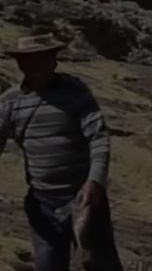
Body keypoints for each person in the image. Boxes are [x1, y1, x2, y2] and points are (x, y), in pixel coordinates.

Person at [0, 32, 121, 270]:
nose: (37, 66)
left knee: (99, 263)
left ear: (54, 60)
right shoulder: (10, 102)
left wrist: (94, 183)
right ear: (20, 63)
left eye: (43, 58)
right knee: (48, 264)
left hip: (84, 198)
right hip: (42, 201)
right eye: (29, 60)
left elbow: (98, 139)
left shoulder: (75, 91)